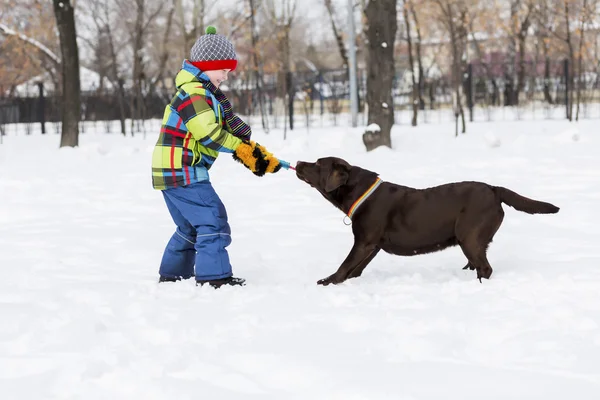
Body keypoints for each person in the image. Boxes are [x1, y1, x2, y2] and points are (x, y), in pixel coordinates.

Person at [151, 26, 287, 289]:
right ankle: (215, 278)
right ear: (206, 66)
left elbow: (225, 125)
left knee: (191, 227)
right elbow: (210, 135)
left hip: (171, 172)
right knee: (213, 219)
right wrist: (241, 150)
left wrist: (252, 150)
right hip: (183, 170)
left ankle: (173, 276)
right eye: (223, 69)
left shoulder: (202, 93)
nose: (226, 75)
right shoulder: (194, 93)